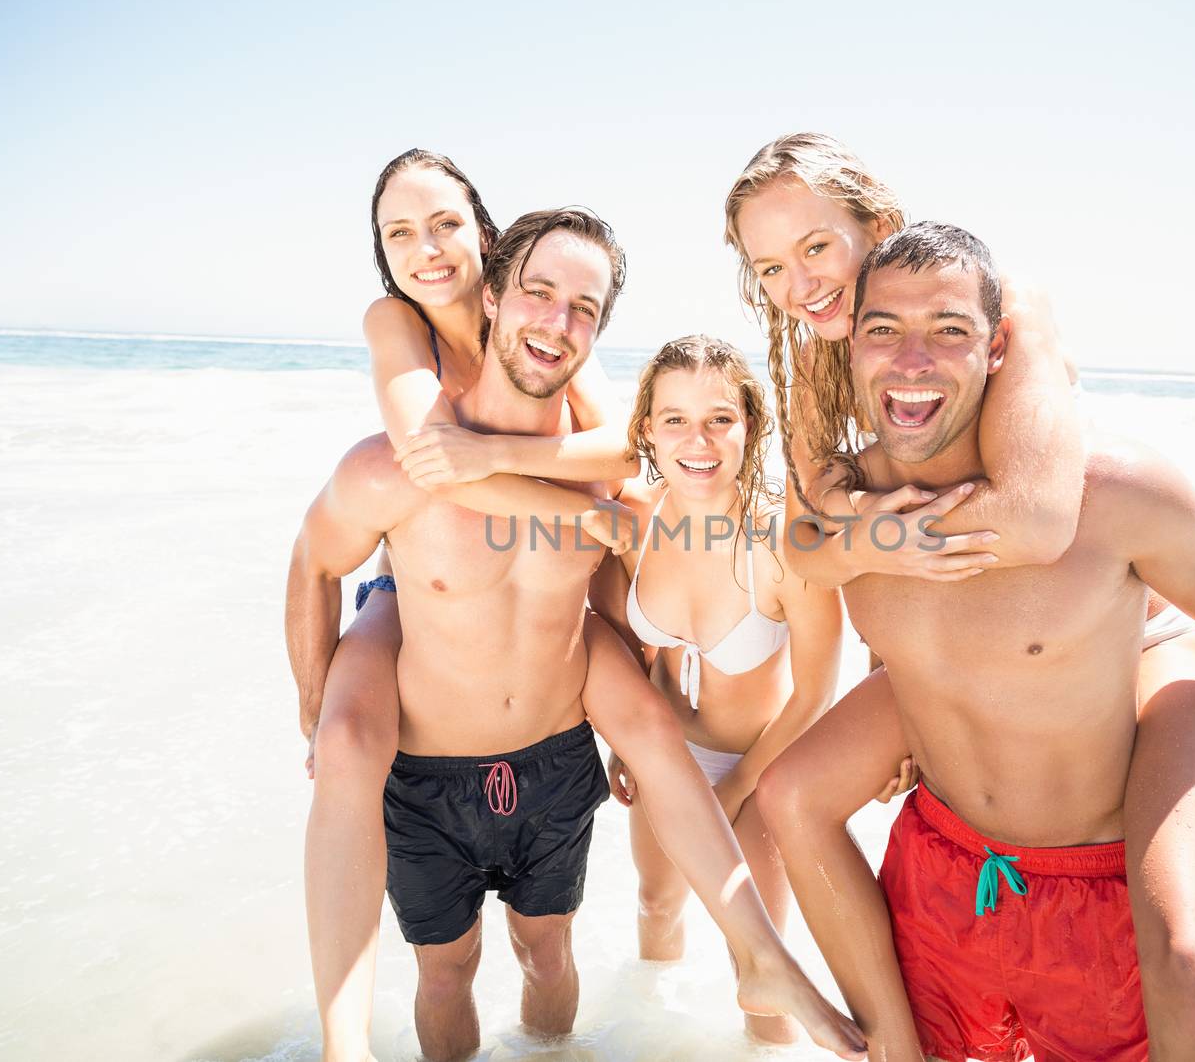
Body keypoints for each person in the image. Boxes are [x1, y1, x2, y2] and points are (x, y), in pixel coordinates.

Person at [725, 133, 1195, 1055]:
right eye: (770, 266)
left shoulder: (1004, 307)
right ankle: (897, 1046)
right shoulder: (815, 349)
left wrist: (872, 533)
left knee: (1191, 948)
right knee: (792, 794)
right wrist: (867, 571)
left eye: (817, 247)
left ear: (879, 225)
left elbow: (1034, 523)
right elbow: (809, 540)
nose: (801, 282)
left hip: (1125, 623)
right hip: (967, 628)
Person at [288, 207, 867, 1062]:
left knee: (549, 955)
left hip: (556, 763)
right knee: (445, 976)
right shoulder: (395, 470)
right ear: (491, 297)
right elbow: (313, 565)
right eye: (539, 293)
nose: (558, 322)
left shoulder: (615, 499)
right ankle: (347, 1048)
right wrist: (315, 708)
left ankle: (760, 962)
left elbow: (674, 546)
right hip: (426, 775)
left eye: (584, 309)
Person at [298, 150, 639, 1062]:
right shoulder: (396, 323)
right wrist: (583, 512)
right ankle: (344, 1042)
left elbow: (624, 450)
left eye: (445, 223)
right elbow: (431, 460)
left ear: (485, 234)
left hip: (517, 580)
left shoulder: (539, 318)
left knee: (545, 946)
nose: (427, 248)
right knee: (342, 743)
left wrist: (571, 499)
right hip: (412, 580)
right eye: (398, 233)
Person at [588, 335, 844, 1044]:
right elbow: (615, 635)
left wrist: (738, 789)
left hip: (762, 761)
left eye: (719, 418)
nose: (696, 440)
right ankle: (646, 1037)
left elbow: (816, 694)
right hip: (667, 755)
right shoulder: (632, 518)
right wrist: (625, 733)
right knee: (655, 903)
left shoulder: (784, 542)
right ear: (646, 429)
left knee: (760, 961)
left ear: (750, 425)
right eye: (673, 419)